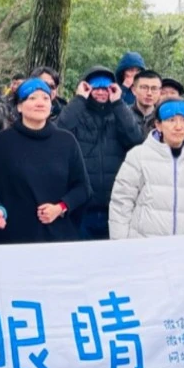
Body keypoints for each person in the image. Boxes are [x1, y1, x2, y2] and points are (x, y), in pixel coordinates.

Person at [0, 76, 90, 244]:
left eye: (45, 98)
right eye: (32, 98)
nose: (40, 103)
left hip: (57, 237)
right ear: (19, 106)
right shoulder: (1, 142)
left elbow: (82, 188)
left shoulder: (66, 141)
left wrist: (60, 207)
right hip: (12, 237)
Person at [108, 98, 184, 236]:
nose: (178, 126)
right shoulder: (139, 155)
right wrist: (121, 244)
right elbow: (121, 203)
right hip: (144, 244)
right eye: (171, 120)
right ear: (158, 125)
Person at [56, 67, 141, 239]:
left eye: (106, 88)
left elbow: (136, 140)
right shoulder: (77, 114)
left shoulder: (121, 113)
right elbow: (59, 132)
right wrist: (79, 99)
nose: (101, 92)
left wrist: (118, 103)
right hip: (82, 207)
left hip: (115, 207)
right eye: (96, 88)